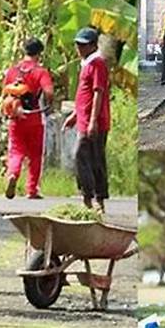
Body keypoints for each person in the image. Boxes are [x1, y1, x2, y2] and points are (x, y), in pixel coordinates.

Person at [62, 28, 110, 212]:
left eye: (83, 45)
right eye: (77, 44)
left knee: (88, 157)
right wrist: (75, 115)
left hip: (95, 121)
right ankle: (89, 198)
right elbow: (84, 94)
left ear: (93, 45)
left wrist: (92, 121)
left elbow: (98, 93)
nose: (79, 48)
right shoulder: (86, 64)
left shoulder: (97, 63)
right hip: (84, 119)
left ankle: (94, 198)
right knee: (86, 158)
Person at [2, 38, 54, 200]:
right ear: (39, 53)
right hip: (34, 117)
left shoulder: (12, 71)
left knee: (16, 151)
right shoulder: (40, 71)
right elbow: (49, 92)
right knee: (35, 154)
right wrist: (49, 104)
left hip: (16, 118)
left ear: (24, 51)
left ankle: (12, 174)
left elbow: (4, 93)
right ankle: (32, 190)